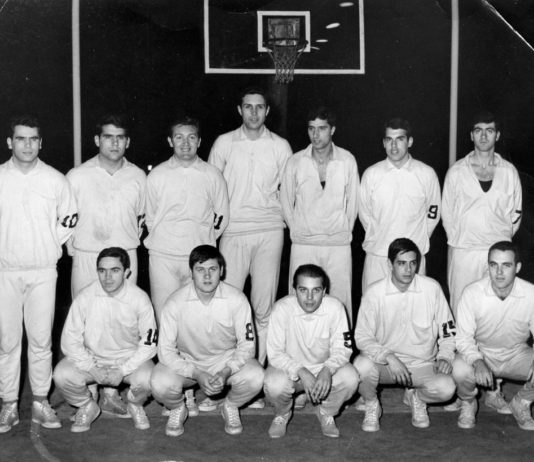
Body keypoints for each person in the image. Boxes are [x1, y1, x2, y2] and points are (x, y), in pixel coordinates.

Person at [0, 116, 77, 433]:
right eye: (21, 138)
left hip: (43, 271)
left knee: (42, 342)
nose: (27, 145)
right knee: (7, 343)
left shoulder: (55, 179)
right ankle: (8, 404)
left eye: (33, 139)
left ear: (41, 143)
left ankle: (41, 402)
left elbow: (70, 217)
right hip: (5, 271)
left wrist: (49, 242)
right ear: (10, 142)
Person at [66, 113, 146, 417]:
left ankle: (112, 392)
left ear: (128, 141)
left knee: (121, 324)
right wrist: (75, 250)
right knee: (86, 325)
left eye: (120, 137)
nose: (114, 143)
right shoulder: (77, 175)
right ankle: (89, 391)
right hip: (88, 255)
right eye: (108, 137)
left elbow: (143, 218)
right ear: (97, 140)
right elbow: (66, 219)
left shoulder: (138, 176)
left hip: (125, 254)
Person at [208, 86, 292, 368]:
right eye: (248, 107)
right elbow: (211, 189)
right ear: (239, 110)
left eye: (259, 107)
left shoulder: (280, 146)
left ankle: (260, 371)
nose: (254, 113)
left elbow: (289, 191)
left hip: (269, 230)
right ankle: (226, 370)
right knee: (227, 305)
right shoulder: (224, 143)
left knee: (263, 308)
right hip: (233, 231)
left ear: (267, 111)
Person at [150, 245, 264, 437]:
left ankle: (230, 405)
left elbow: (247, 345)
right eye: (200, 269)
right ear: (191, 273)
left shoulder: (237, 299)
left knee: (256, 376)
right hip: (189, 361)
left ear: (222, 271)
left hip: (224, 360)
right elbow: (165, 352)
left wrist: (227, 371)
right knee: (159, 382)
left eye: (213, 269)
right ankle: (178, 407)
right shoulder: (175, 303)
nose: (207, 276)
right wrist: (196, 373)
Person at [354, 238, 456, 432]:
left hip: (421, 365)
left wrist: (445, 356)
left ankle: (417, 398)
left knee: (447, 388)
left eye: (412, 263)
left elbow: (448, 331)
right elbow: (362, 337)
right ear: (389, 264)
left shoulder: (431, 288)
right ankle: (371, 403)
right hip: (386, 365)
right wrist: (388, 356)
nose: (408, 270)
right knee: (360, 366)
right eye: (401, 263)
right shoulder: (374, 292)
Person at [53, 247, 157, 433]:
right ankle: (87, 405)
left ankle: (135, 404)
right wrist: (91, 367)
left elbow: (149, 344)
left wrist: (123, 370)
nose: (108, 277)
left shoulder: (139, 298)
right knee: (62, 374)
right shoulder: (85, 296)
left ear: (126, 272)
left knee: (150, 378)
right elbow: (69, 340)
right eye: (102, 271)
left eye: (115, 270)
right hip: (93, 359)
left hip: (127, 359)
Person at [145, 116, 228, 322]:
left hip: (198, 259)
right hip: (163, 257)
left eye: (191, 137)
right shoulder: (157, 175)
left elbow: (221, 217)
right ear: (170, 141)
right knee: (164, 316)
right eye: (179, 137)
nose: (185, 143)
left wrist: (202, 239)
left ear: (199, 141)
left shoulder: (213, 175)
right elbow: (150, 218)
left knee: (197, 319)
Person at [280, 107, 359, 325]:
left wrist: (342, 231)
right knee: (299, 303)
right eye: (311, 129)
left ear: (332, 130)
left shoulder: (347, 160)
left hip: (337, 245)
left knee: (340, 303)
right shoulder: (295, 161)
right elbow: (285, 201)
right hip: (304, 244)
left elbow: (353, 204)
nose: (315, 135)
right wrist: (299, 230)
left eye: (322, 128)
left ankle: (342, 346)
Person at [264, 264, 358, 438]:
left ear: (324, 291)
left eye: (316, 290)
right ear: (294, 291)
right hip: (291, 370)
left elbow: (343, 349)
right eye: (303, 290)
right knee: (274, 384)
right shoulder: (281, 308)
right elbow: (275, 354)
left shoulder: (335, 307)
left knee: (350, 377)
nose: (309, 297)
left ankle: (326, 412)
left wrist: (328, 369)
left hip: (322, 370)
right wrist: (301, 371)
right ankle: (283, 413)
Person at [442, 111, 522, 316]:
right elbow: (447, 213)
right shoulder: (456, 171)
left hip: (497, 252)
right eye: (478, 130)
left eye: (489, 130)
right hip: (465, 252)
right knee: (461, 309)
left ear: (497, 135)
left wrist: (499, 236)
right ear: (471, 135)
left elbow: (516, 213)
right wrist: (462, 237)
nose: (484, 136)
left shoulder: (509, 171)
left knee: (496, 311)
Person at [452, 241, 534, 431]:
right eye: (493, 264)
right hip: (483, 353)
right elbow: (463, 339)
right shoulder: (472, 293)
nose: (499, 272)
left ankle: (521, 402)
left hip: (516, 355)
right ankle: (468, 402)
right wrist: (477, 361)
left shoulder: (531, 293)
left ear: (517, 267)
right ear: (487, 266)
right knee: (459, 368)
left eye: (506, 265)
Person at [358, 118, 440, 293]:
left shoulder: (426, 174)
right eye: (389, 140)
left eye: (400, 139)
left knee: (415, 308)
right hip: (378, 257)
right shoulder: (371, 174)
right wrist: (379, 236)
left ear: (410, 141)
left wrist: (416, 241)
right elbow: (364, 214)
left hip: (412, 259)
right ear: (383, 143)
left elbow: (433, 214)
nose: (394, 146)